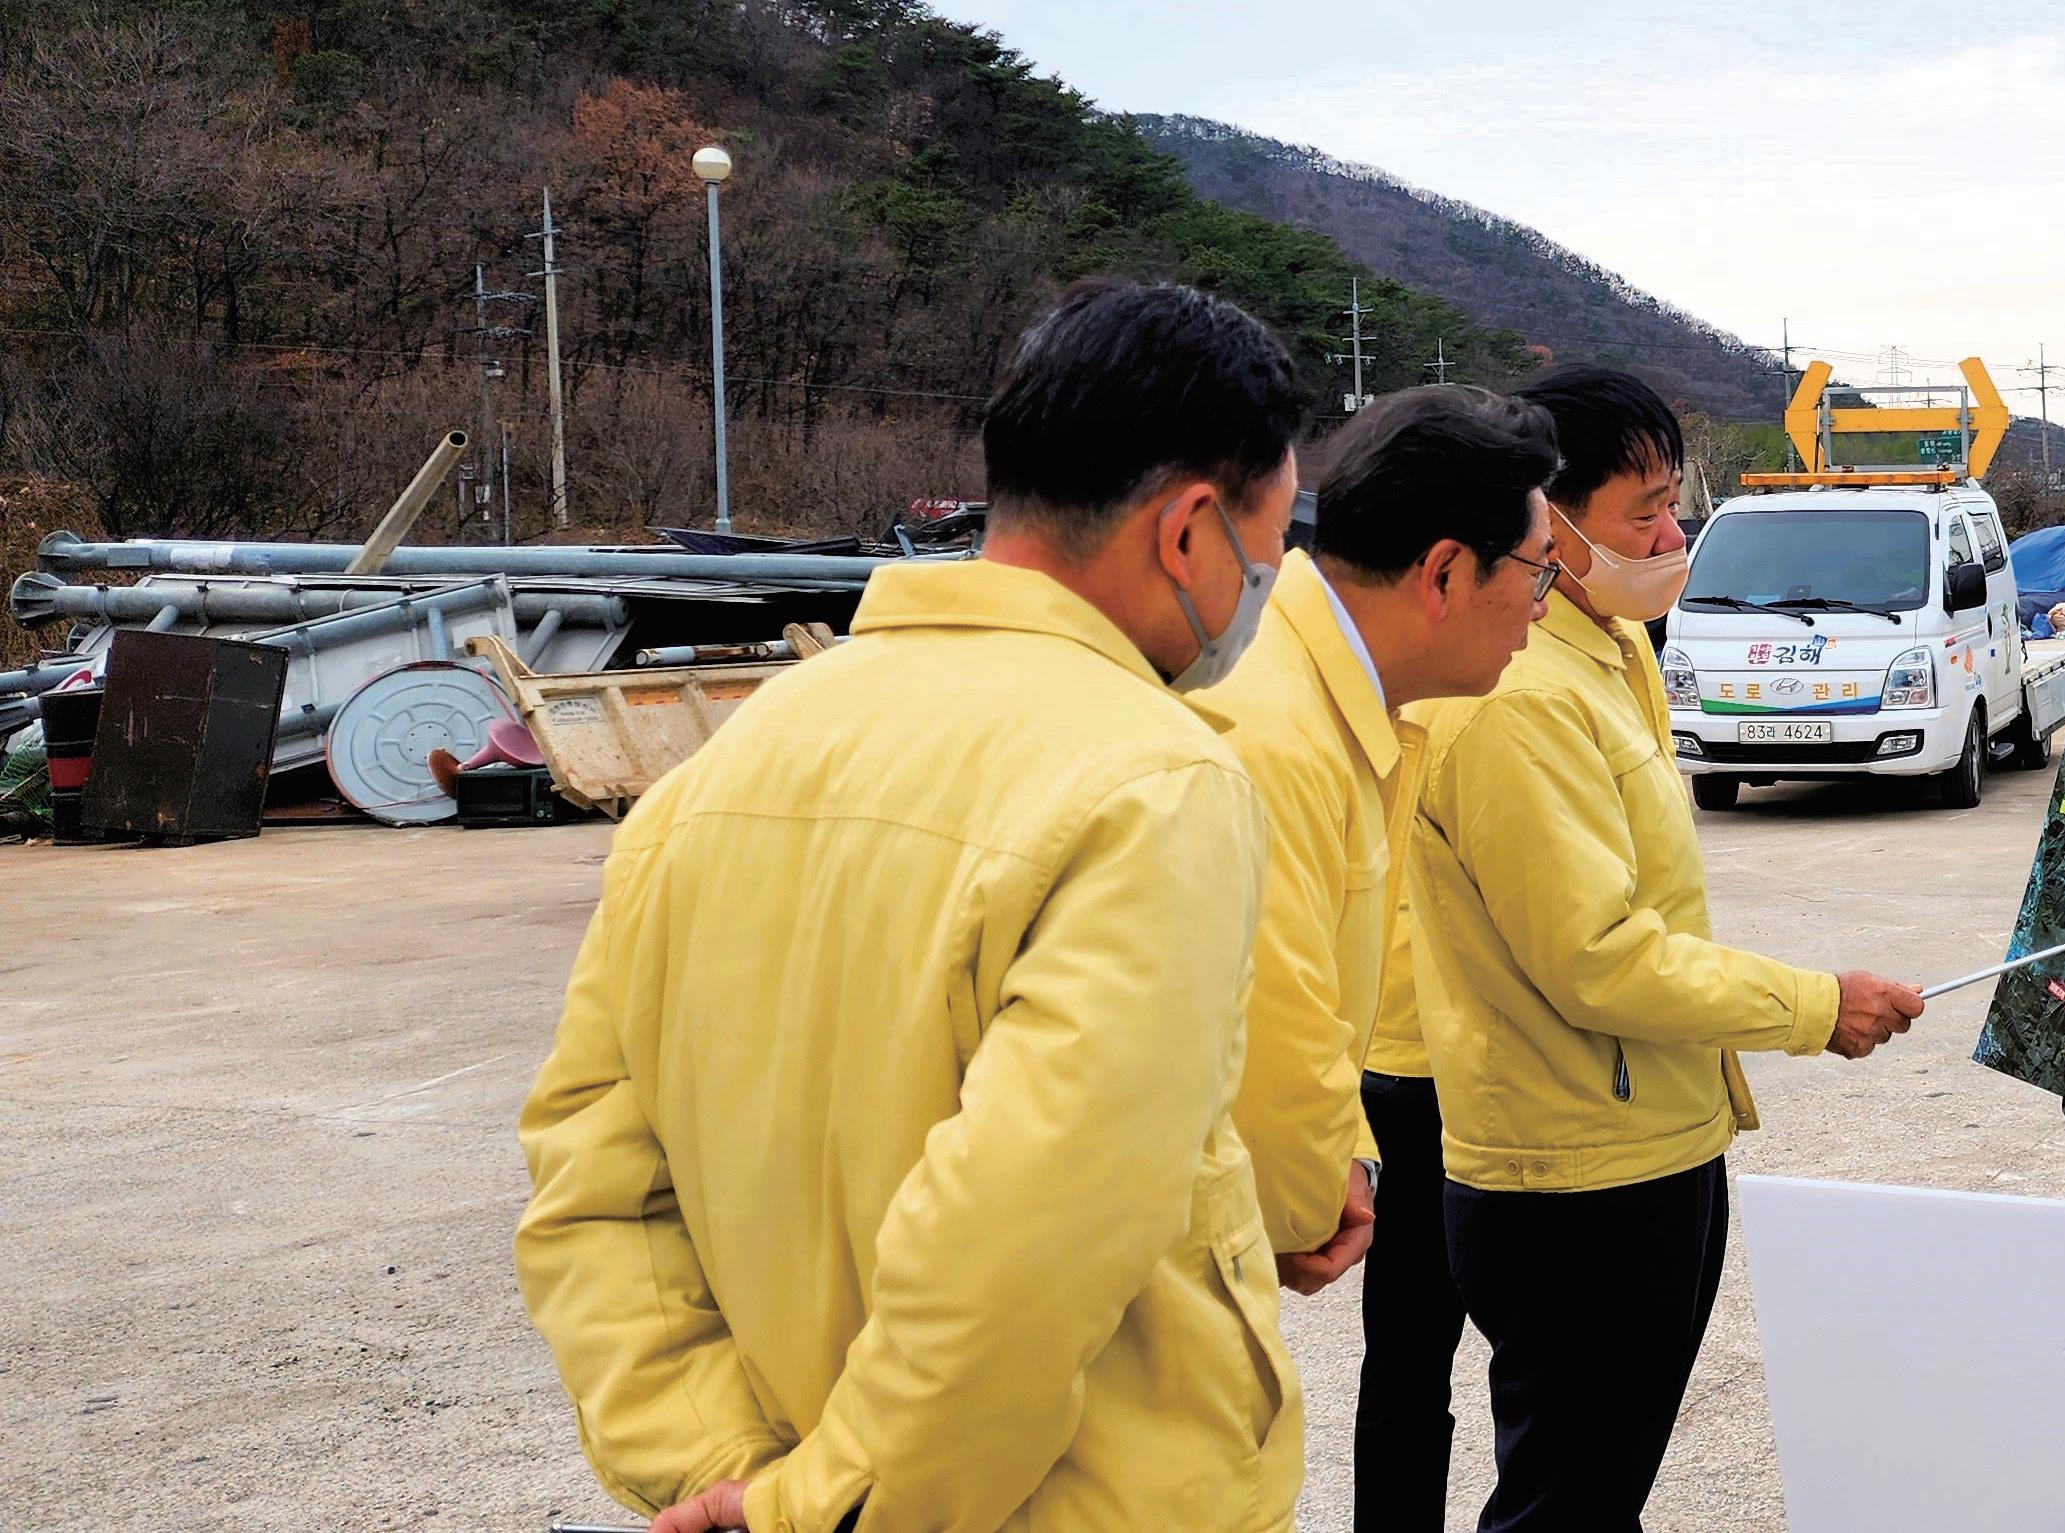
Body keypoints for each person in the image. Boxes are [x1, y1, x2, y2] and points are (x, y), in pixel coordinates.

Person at [513, 279, 1314, 1533]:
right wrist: (830, 1508)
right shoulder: (1153, 781)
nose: (1266, 584)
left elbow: (596, 1183)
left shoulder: (718, 767)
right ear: (1188, 531)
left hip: (787, 1476)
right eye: (1267, 550)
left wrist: (726, 1471)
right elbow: (1024, 1242)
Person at [1402, 364, 1927, 1532]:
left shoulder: (1614, 649)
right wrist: (1811, 1006)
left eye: (1669, 500)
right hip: (1576, 1179)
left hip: (1656, 1138)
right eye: (1641, 509)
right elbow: (1597, 956)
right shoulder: (1516, 698)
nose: (1671, 532)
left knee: (1601, 1487)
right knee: (1565, 1503)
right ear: (1550, 522)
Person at [1202, 384, 1565, 1325]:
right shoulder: (1279, 737)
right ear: (1445, 573)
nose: (1540, 608)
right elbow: (1269, 1031)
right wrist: (1314, 1188)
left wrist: (1344, 1152)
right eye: (1536, 573)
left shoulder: (1331, 698)